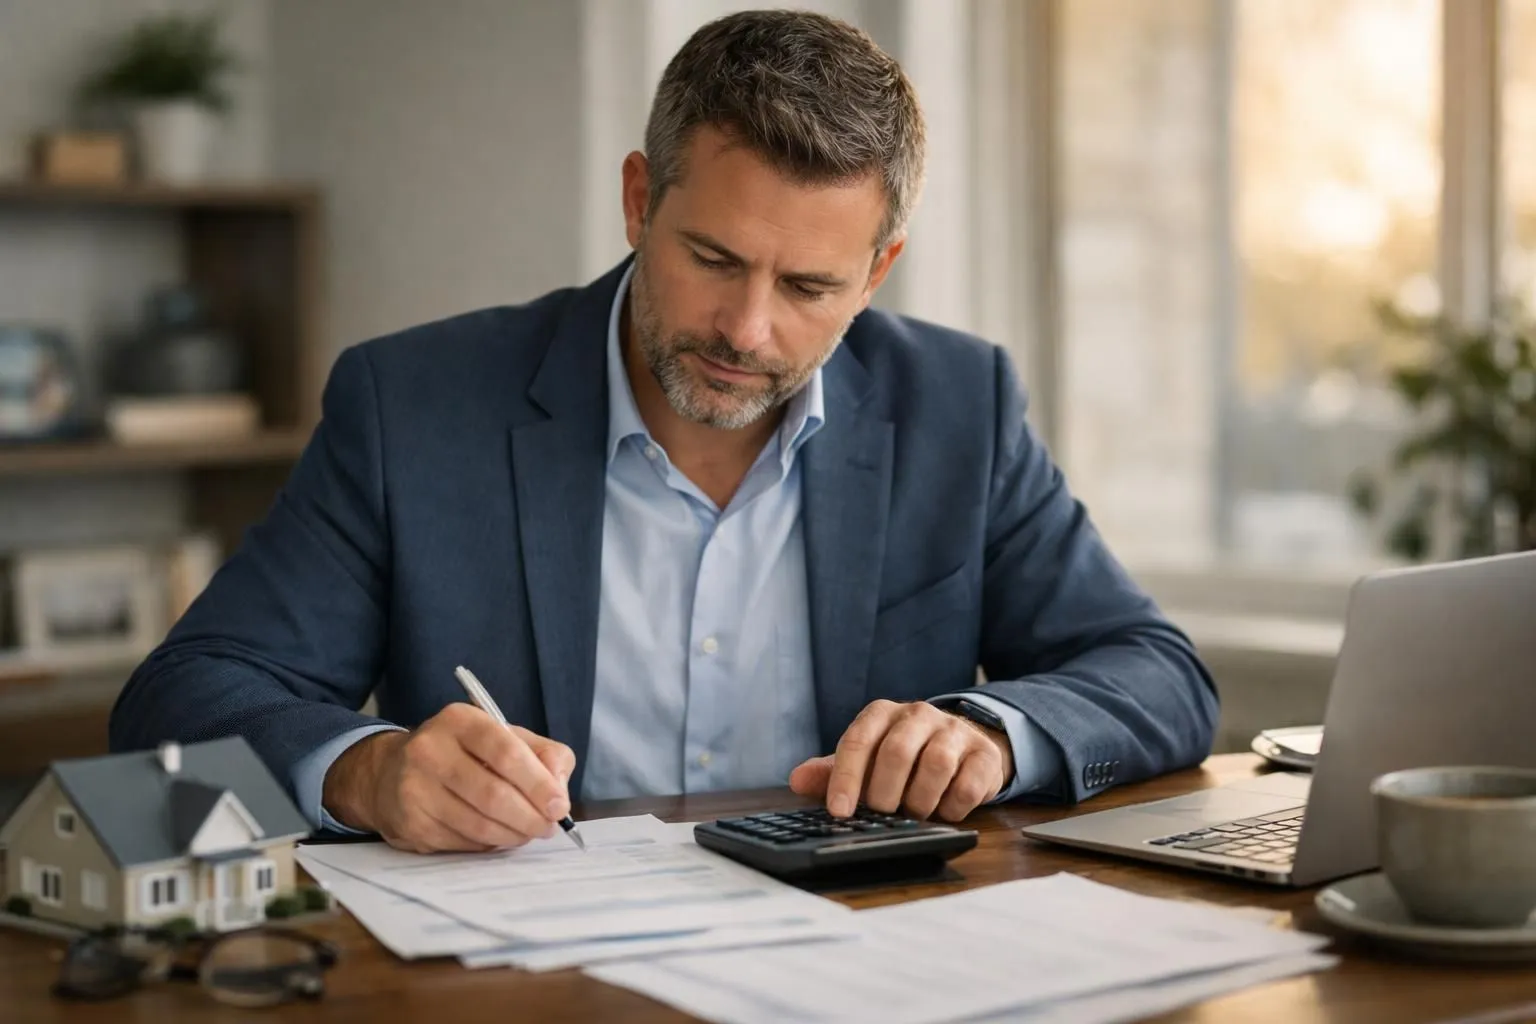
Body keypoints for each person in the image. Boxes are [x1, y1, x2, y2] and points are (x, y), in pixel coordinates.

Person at [109, 9, 1217, 854]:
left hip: (858, 967)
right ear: (641, 201)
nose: (749, 328)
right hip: (528, 980)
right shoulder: (414, 406)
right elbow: (179, 701)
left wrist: (989, 730)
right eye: (715, 260)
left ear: (879, 270)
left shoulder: (957, 406)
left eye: (811, 285)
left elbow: (1155, 673)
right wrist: (368, 770)